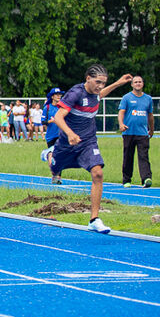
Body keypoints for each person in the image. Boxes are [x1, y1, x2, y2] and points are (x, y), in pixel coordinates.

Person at [49, 64, 132, 233]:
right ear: (88, 78)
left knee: (98, 173)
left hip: (88, 142)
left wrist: (118, 83)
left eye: (103, 83)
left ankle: (94, 219)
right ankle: (49, 154)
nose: (100, 86)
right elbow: (57, 117)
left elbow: (101, 94)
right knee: (54, 168)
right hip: (67, 143)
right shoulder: (76, 93)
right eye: (98, 82)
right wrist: (70, 134)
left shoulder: (96, 93)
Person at [118, 75, 154, 188]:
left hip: (142, 133)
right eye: (136, 82)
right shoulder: (126, 98)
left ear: (142, 84)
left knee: (143, 156)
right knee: (128, 157)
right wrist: (121, 124)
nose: (138, 84)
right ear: (132, 84)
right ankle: (126, 180)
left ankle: (146, 178)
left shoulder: (148, 99)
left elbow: (150, 115)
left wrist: (151, 129)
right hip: (128, 133)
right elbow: (121, 112)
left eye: (140, 82)